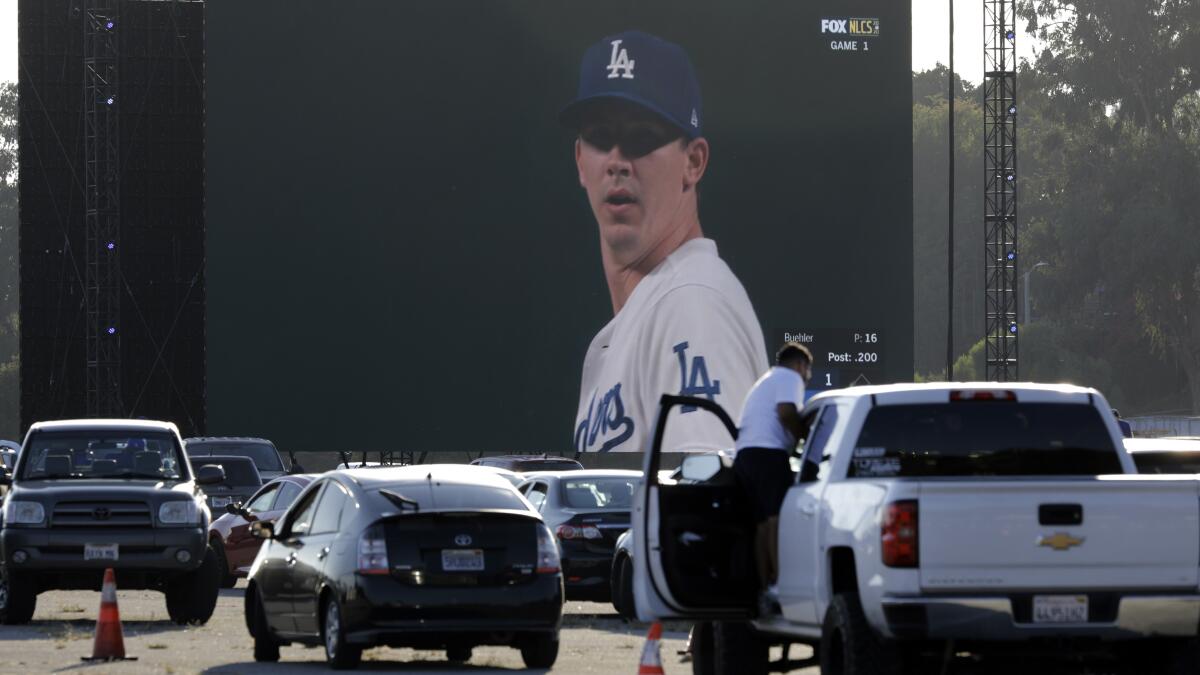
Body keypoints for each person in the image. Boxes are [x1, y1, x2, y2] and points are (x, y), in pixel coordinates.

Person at [561, 30, 768, 454]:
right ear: (581, 161)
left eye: (641, 139)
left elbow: (707, 507)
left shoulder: (692, 305)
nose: (617, 161)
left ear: (693, 162)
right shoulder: (630, 325)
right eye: (601, 138)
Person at [733, 342, 813, 590]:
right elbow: (786, 412)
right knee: (777, 520)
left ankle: (763, 584)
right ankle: (781, 582)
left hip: (745, 456)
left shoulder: (766, 380)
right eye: (809, 371)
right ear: (801, 365)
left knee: (761, 523)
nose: (808, 377)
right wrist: (804, 436)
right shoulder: (790, 377)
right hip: (768, 454)